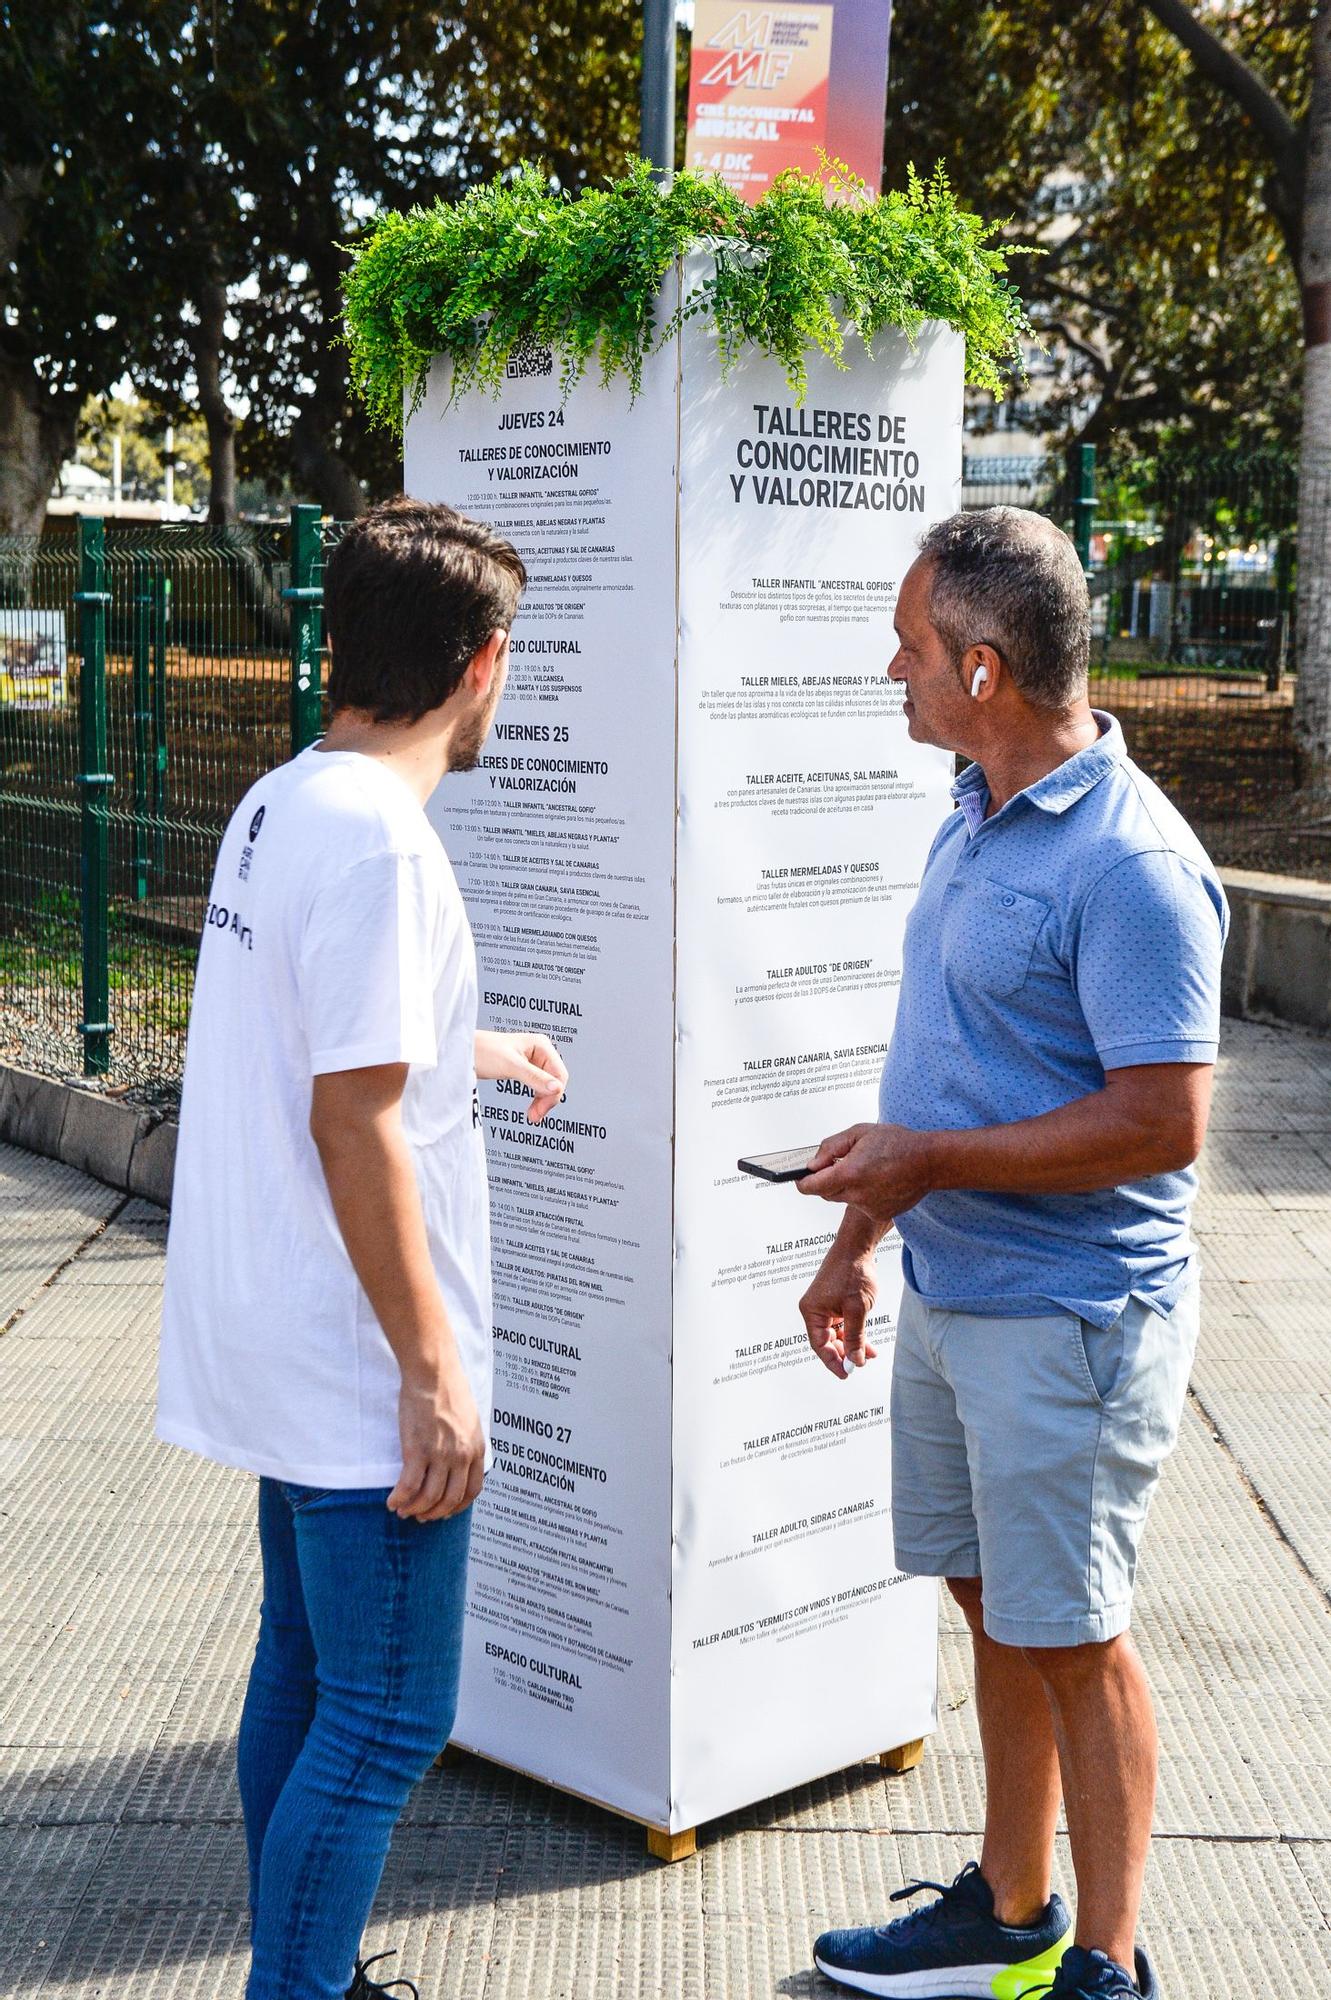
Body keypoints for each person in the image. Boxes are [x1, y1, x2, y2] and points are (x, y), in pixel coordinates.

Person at [796, 508, 1226, 2000]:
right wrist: (864, 1233)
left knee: (1079, 1633)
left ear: (983, 669)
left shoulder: (1135, 868)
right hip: (954, 1292)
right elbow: (947, 1074)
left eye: (912, 648)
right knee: (995, 1602)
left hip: (1069, 1320)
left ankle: (1106, 1963)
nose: (893, 668)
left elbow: (1162, 1124)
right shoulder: (975, 806)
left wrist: (926, 1169)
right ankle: (1009, 1902)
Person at [156, 498, 568, 2000]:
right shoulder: (388, 845)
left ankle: (302, 1972)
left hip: (276, 1336)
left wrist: (467, 1042)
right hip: (352, 1362)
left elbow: (334, 1058)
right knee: (388, 1717)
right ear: (485, 663)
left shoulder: (284, 800)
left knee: (306, 1675)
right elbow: (352, 1125)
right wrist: (435, 1371)